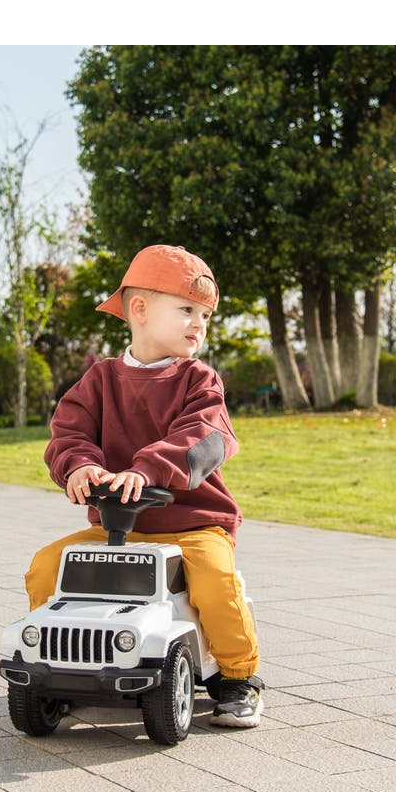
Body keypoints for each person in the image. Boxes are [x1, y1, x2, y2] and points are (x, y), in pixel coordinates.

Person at [25, 244, 264, 729]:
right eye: (186, 310)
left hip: (192, 525)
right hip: (119, 530)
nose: (199, 323)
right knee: (47, 566)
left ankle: (237, 679)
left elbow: (206, 437)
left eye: (205, 315)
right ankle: (59, 664)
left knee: (216, 582)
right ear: (139, 310)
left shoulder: (200, 381)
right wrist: (78, 468)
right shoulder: (100, 380)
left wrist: (146, 469)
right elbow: (68, 433)